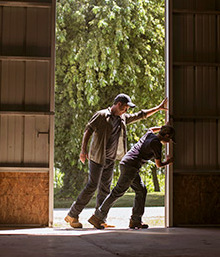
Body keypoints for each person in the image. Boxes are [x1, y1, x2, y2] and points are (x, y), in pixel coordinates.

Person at [64, 94, 168, 228]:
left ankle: (99, 219)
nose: (126, 110)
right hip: (97, 157)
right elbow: (88, 130)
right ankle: (73, 215)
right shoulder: (101, 115)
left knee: (105, 189)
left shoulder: (122, 118)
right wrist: (83, 150)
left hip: (110, 159)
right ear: (119, 104)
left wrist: (158, 108)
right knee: (92, 186)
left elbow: (140, 115)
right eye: (125, 107)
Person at [88, 124, 175, 229]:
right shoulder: (156, 143)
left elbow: (150, 128)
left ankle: (135, 220)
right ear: (166, 135)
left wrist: (161, 127)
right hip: (131, 166)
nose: (169, 141)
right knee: (117, 192)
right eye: (169, 138)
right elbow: (159, 164)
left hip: (127, 163)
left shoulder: (149, 135)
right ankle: (97, 217)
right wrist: (169, 162)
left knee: (141, 190)